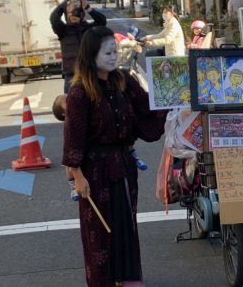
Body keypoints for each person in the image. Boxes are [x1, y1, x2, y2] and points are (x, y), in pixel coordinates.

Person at [62, 26, 167, 286]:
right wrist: (77, 176)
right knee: (99, 233)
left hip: (123, 164)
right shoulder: (79, 92)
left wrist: (172, 96)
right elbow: (73, 139)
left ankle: (128, 278)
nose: (113, 56)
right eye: (107, 51)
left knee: (126, 225)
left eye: (115, 50)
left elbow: (147, 105)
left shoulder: (123, 80)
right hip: (94, 172)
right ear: (91, 54)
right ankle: (103, 282)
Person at [50, 0, 107, 93]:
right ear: (66, 14)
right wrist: (65, 2)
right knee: (72, 107)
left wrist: (87, 7)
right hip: (71, 77)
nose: (73, 14)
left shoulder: (89, 29)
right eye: (70, 12)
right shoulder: (63, 30)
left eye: (76, 10)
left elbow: (102, 21)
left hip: (89, 76)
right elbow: (53, 19)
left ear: (82, 13)